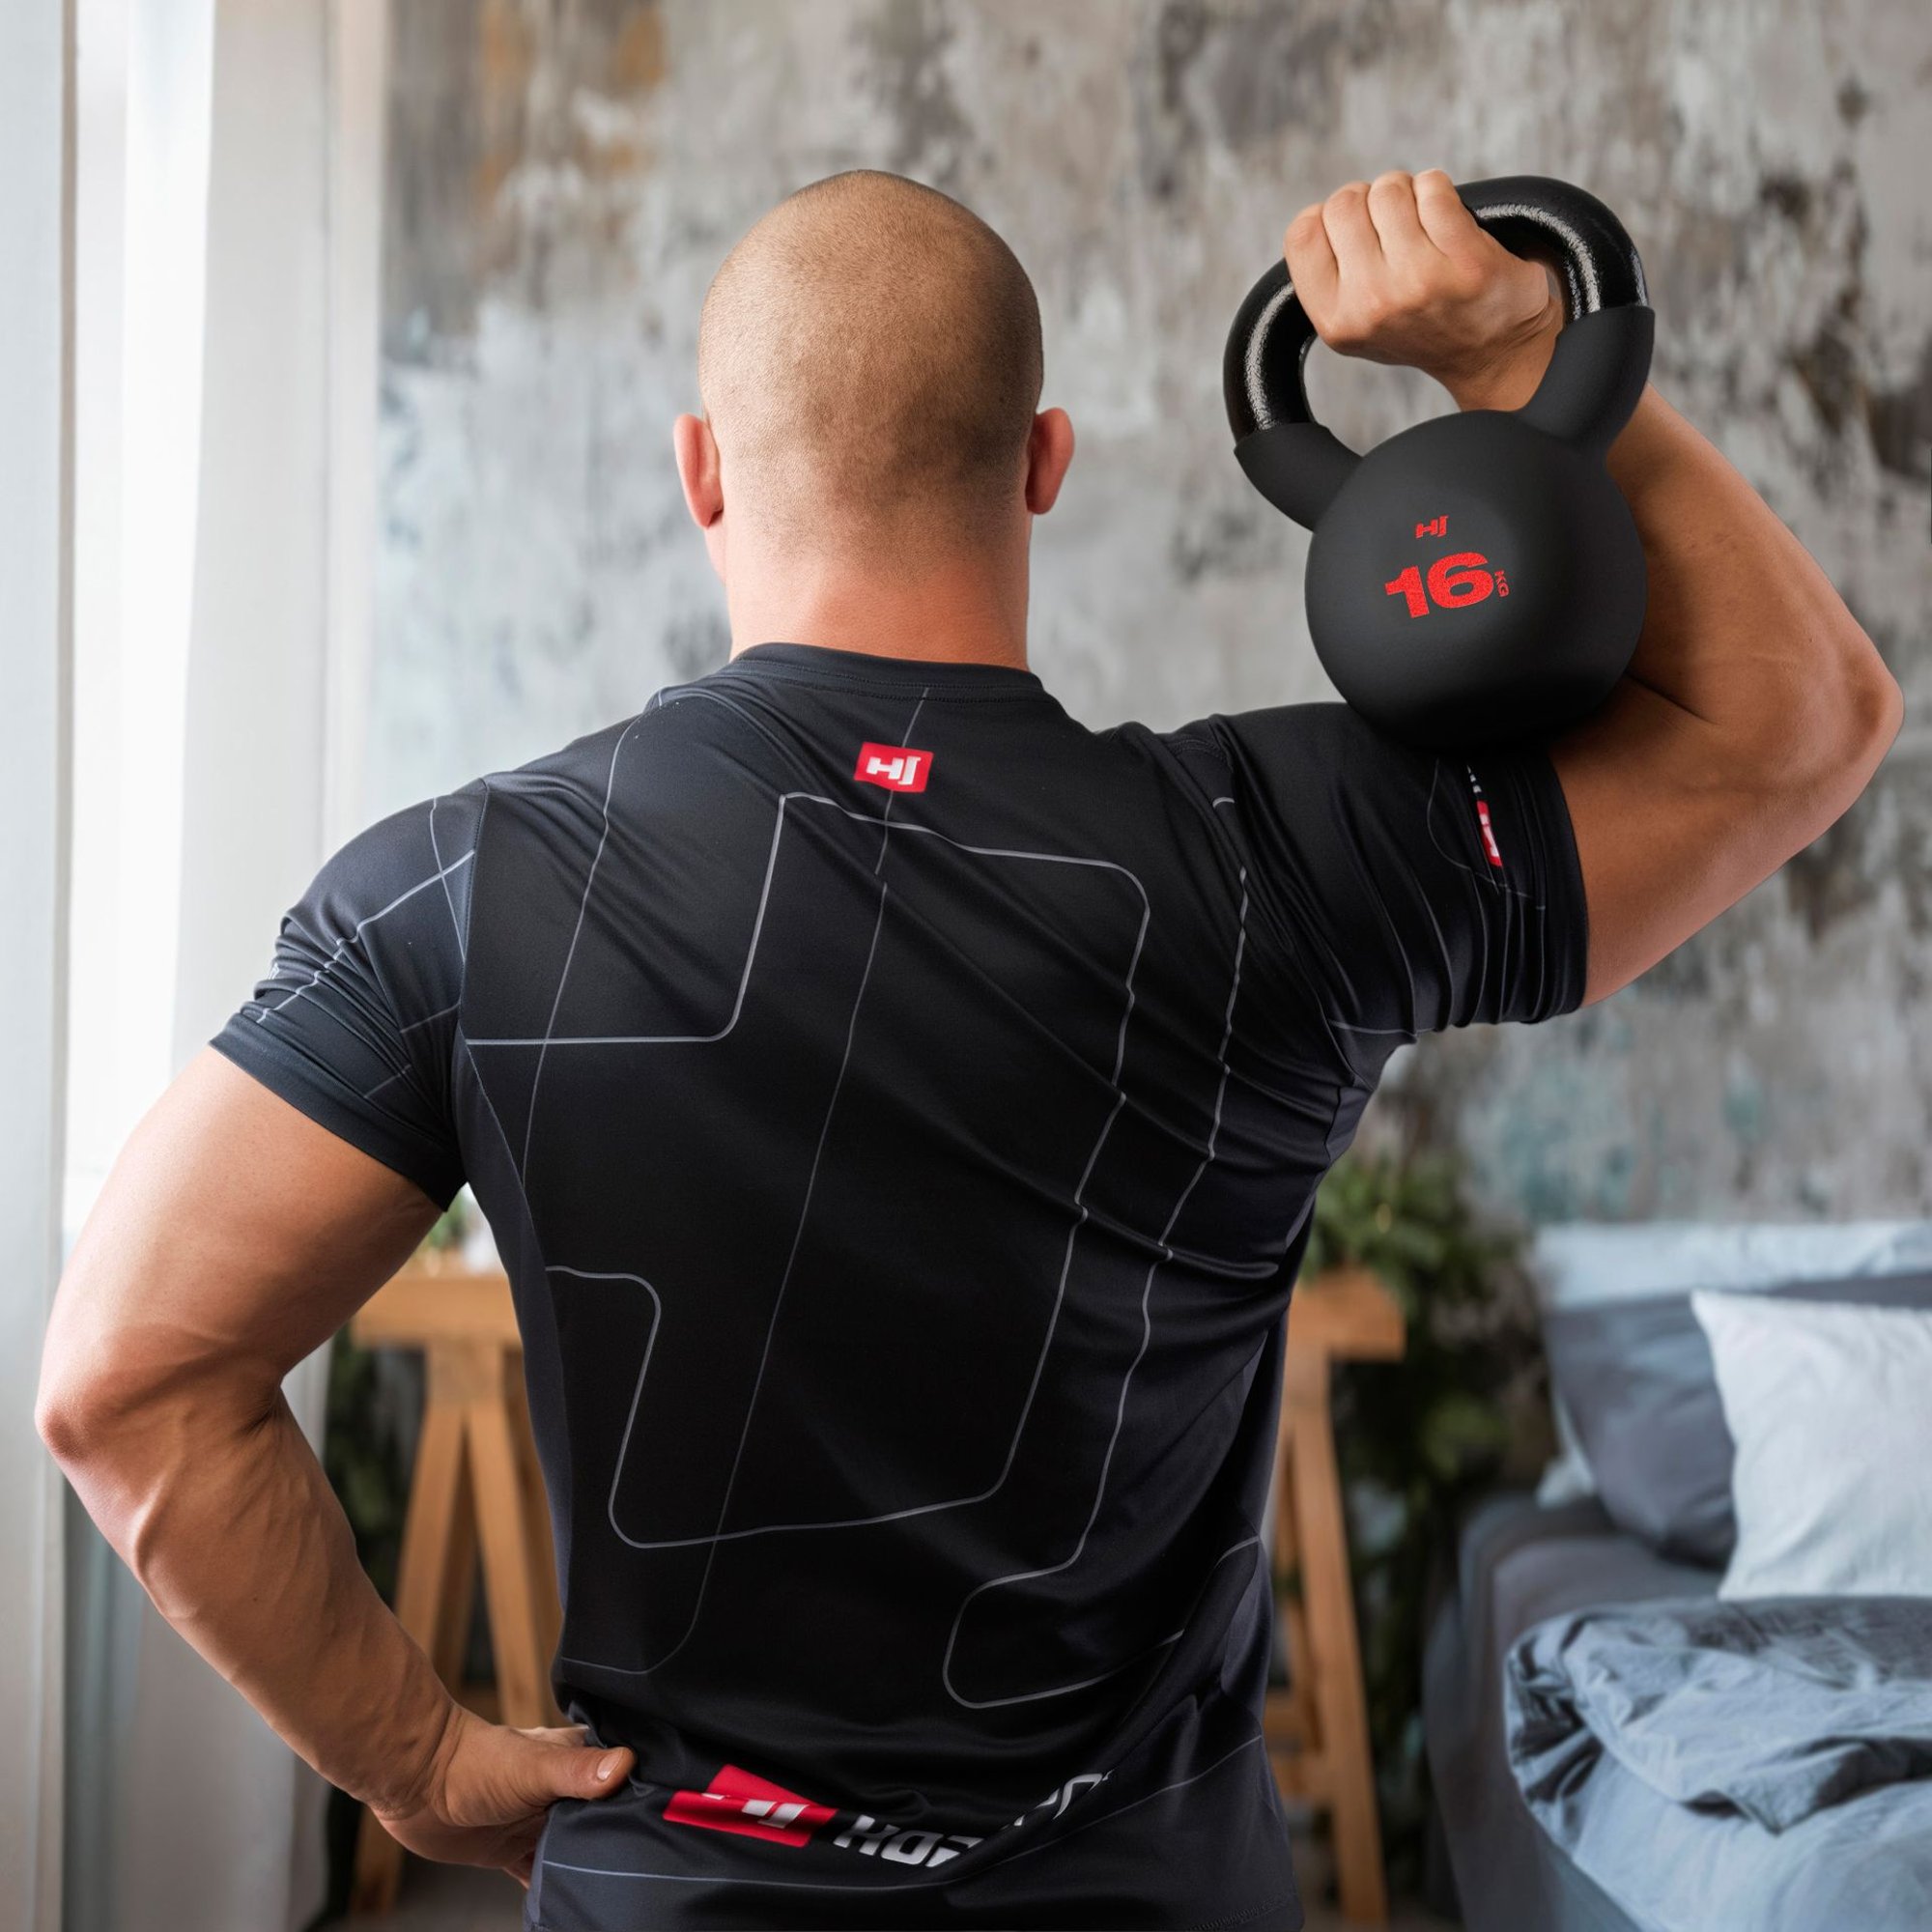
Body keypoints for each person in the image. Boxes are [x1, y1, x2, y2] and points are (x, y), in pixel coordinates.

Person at [38, 168, 1898, 1932]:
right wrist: (1520, 362)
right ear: (1044, 463)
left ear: (702, 472)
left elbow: (128, 1385)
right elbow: (1797, 729)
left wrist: (420, 1765)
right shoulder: (1288, 856)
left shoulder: (463, 890)